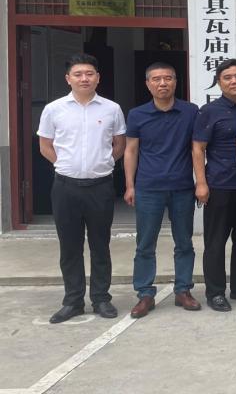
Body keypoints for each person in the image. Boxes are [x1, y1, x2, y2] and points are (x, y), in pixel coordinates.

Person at [38, 54, 126, 324]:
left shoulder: (112, 109)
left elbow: (119, 144)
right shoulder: (54, 109)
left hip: (100, 186)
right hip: (66, 187)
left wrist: (105, 163)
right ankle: (73, 301)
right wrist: (64, 164)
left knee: (100, 245)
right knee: (70, 247)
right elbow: (45, 145)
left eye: (89, 73)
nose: (84, 78)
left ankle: (101, 298)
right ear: (68, 79)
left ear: (98, 77)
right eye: (78, 74)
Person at [125, 63, 201, 318]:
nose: (162, 83)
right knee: (145, 244)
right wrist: (130, 185)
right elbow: (131, 150)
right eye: (156, 79)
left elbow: (196, 149)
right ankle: (145, 294)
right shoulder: (137, 114)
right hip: (148, 188)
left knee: (184, 242)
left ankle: (183, 290)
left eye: (168, 78)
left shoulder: (190, 111)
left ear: (176, 82)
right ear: (148, 84)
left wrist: (200, 182)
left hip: (182, 187)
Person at [193, 58, 236, 312]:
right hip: (219, 185)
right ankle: (215, 292)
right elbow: (198, 149)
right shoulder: (209, 111)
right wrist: (201, 183)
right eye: (227, 77)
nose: (234, 81)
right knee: (216, 242)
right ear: (219, 83)